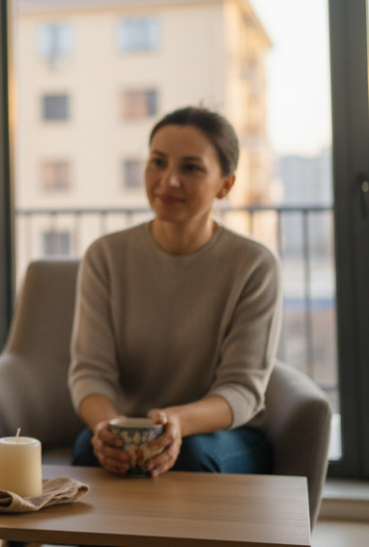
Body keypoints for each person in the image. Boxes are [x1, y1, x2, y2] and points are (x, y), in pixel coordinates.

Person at [68, 105, 281, 478]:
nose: (168, 181)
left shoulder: (254, 265)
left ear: (225, 184)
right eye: (158, 162)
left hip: (222, 434)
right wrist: (109, 428)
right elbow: (90, 373)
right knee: (90, 447)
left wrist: (175, 423)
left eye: (191, 168)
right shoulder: (106, 256)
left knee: (190, 455)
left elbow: (242, 390)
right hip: (133, 425)